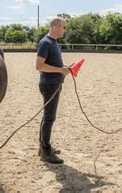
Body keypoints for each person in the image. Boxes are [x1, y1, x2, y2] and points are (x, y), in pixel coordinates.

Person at [35, 17, 70, 164]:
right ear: (56, 26)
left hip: (53, 83)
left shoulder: (53, 42)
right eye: (64, 27)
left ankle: (43, 147)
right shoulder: (45, 43)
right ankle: (46, 151)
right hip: (49, 85)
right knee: (49, 118)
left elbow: (53, 63)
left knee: (47, 117)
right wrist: (60, 70)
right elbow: (39, 66)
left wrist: (65, 68)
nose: (65, 30)